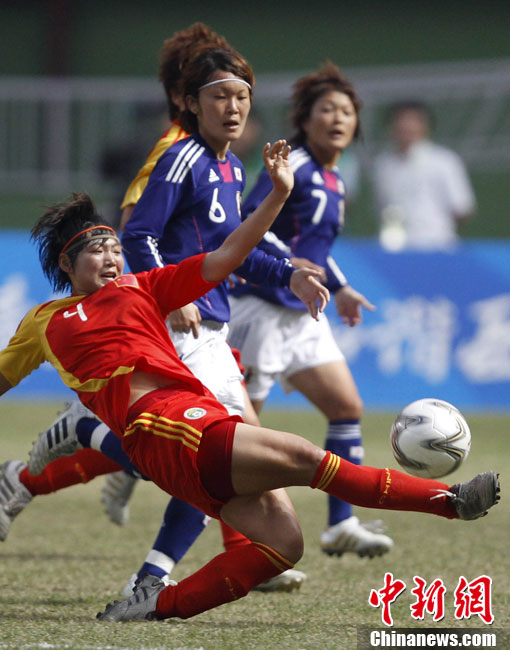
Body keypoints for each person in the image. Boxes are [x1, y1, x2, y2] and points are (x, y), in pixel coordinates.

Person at [0, 192, 499, 623]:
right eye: (95, 251)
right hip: (162, 424)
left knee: (283, 544)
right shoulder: (43, 322)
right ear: (66, 264)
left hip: (184, 431)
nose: (111, 259)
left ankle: (156, 603)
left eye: (115, 249)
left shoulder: (142, 287)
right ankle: (450, 501)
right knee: (304, 457)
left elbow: (228, 255)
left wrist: (277, 195)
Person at [0, 25, 306, 593]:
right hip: (172, 317)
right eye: (218, 92)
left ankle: (225, 549)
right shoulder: (176, 152)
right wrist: (168, 299)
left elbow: (232, 242)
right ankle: (160, 570)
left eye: (241, 94)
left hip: (207, 319)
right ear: (186, 97)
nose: (233, 105)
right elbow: (136, 229)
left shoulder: (229, 164)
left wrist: (287, 272)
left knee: (210, 451)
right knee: (211, 451)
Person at [228, 62, 393, 558]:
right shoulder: (293, 163)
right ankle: (240, 546)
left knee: (346, 409)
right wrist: (286, 264)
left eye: (346, 111)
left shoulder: (336, 180)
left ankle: (340, 525)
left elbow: (315, 249)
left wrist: (341, 287)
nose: (337, 118)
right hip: (262, 310)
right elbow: (248, 219)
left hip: (304, 313)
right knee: (239, 438)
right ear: (305, 119)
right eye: (326, 109)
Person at [373, 100, 476, 251]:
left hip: (437, 246)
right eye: (401, 121)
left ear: (425, 126)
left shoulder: (444, 161)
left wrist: (435, 227)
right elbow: (380, 207)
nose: (406, 127)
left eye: (413, 121)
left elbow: (462, 208)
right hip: (395, 249)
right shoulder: (382, 165)